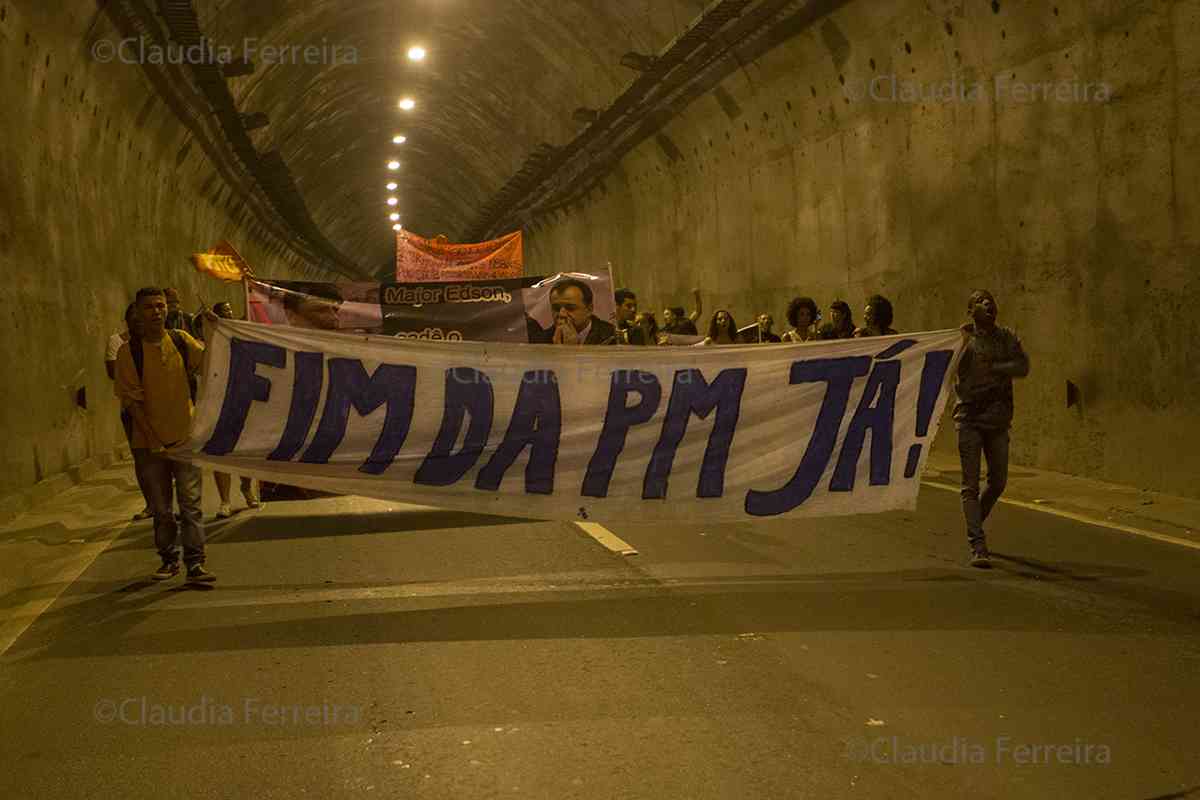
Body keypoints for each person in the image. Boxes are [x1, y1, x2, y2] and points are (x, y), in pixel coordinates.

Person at [115, 287, 217, 584]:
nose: (157, 312)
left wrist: (214, 332)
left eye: (160, 306)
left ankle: (195, 565)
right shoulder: (128, 353)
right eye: (149, 307)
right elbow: (132, 402)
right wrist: (153, 439)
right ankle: (169, 560)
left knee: (191, 506)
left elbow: (211, 364)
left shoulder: (181, 340)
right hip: (149, 445)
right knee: (162, 510)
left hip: (185, 439)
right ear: (138, 312)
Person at [954, 289, 1030, 568]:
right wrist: (960, 341)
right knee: (970, 485)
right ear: (970, 310)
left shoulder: (1006, 338)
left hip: (998, 421)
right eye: (980, 301)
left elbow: (1023, 367)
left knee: (998, 481)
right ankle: (977, 543)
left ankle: (974, 522)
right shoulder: (963, 341)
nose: (988, 304)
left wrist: (997, 367)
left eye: (991, 301)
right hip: (969, 420)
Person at [205, 302, 262, 519]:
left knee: (246, 452)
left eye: (230, 311)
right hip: (220, 401)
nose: (228, 315)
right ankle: (225, 501)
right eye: (223, 313)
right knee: (220, 452)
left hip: (246, 400)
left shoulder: (244, 336)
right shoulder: (213, 338)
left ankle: (246, 486)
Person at [107, 303, 154, 521]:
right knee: (142, 457)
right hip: (131, 410)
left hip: (161, 408)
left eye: (140, 319)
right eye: (133, 320)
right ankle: (151, 504)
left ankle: (164, 502)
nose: (138, 323)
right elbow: (114, 373)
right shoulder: (117, 342)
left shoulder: (158, 343)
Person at [535, 278, 617, 345]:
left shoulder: (611, 336)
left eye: (570, 308)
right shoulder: (541, 340)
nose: (561, 314)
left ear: (589, 309)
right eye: (556, 308)